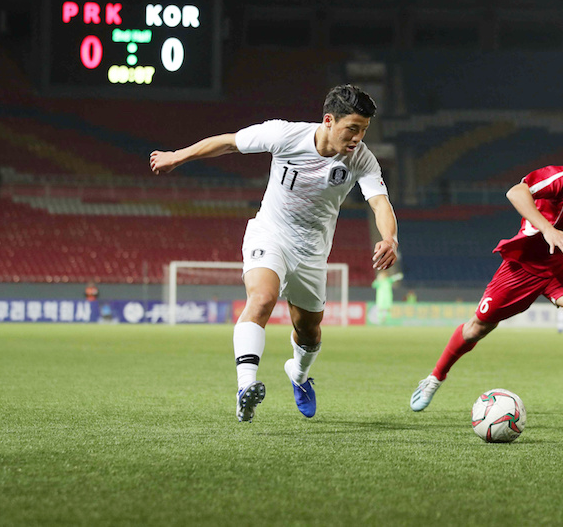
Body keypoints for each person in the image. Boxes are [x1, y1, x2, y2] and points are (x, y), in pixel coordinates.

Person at [150, 84, 399, 422]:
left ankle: (298, 374)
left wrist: (389, 238)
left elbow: (380, 203)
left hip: (312, 252)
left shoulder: (361, 159)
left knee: (309, 332)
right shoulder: (284, 135)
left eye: (364, 130)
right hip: (271, 234)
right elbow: (229, 142)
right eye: (352, 128)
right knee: (262, 298)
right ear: (329, 120)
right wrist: (177, 156)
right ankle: (245, 387)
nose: (357, 138)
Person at [410, 133, 563, 414]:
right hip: (524, 265)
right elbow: (516, 192)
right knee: (478, 327)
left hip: (560, 265)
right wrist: (548, 229)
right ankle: (434, 378)